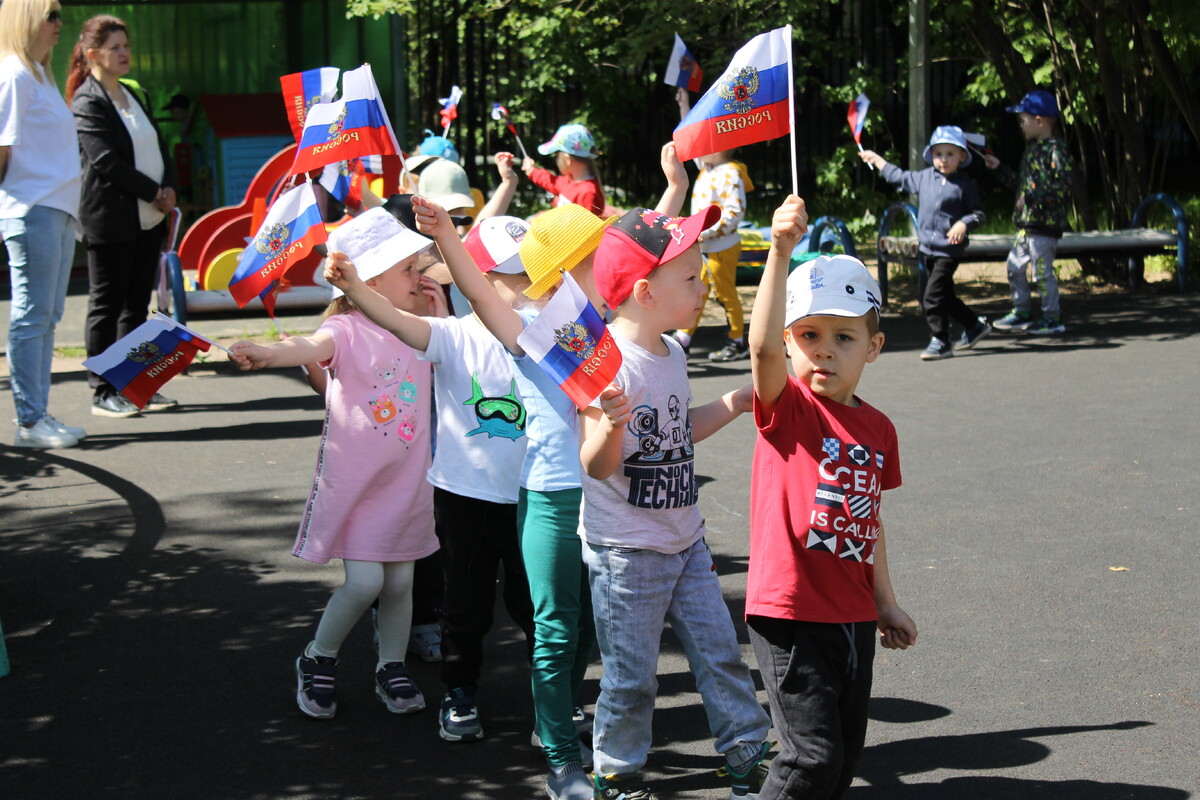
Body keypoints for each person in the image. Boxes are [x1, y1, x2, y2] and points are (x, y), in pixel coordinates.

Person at [579, 206, 774, 800]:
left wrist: (734, 404)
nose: (705, 284)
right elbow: (596, 464)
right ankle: (615, 771)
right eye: (690, 277)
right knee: (632, 677)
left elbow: (676, 430)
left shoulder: (672, 352)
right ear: (644, 291)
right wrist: (610, 424)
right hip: (626, 553)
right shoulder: (605, 363)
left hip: (684, 538)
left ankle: (746, 751)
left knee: (720, 652)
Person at [324, 198, 534, 744]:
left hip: (532, 497)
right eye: (510, 275)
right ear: (477, 278)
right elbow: (389, 320)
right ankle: (459, 692)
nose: (526, 284)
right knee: (462, 607)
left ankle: (551, 701)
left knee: (535, 607)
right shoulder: (452, 333)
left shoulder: (547, 334)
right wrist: (355, 286)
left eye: (532, 271)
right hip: (463, 496)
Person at [228, 209, 442, 720]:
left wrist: (447, 316)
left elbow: (460, 356)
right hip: (360, 485)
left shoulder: (425, 327)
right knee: (367, 582)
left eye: (420, 267)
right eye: (409, 269)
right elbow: (310, 345)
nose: (422, 277)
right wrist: (265, 351)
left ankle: (390, 665)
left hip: (409, 484)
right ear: (369, 280)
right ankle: (317, 657)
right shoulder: (346, 328)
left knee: (401, 584)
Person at [746, 196, 918, 799]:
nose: (823, 349)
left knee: (841, 758)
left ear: (872, 347)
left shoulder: (879, 430)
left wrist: (886, 603)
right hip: (790, 614)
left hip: (851, 615)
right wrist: (779, 251)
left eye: (842, 337)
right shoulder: (788, 408)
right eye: (809, 335)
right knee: (808, 759)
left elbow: (869, 522)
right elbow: (762, 351)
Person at [66, 14, 179, 417]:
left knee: (135, 305)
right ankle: (102, 391)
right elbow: (106, 162)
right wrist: (154, 191)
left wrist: (167, 187)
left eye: (126, 45)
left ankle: (133, 383)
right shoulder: (86, 100)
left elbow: (158, 144)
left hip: (149, 217)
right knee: (106, 305)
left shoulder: (134, 93)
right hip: (111, 219)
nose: (124, 53)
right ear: (93, 54)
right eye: (115, 47)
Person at [0, 0, 86, 449]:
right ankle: (30, 420)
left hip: (53, 208)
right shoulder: (14, 73)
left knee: (46, 315)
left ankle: (37, 416)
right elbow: (1, 147)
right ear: (25, 17)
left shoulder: (38, 74)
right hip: (31, 206)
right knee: (33, 316)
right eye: (50, 14)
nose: (59, 23)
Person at [859, 125, 989, 360]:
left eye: (950, 154)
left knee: (931, 296)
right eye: (939, 154)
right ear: (931, 156)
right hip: (928, 248)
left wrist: (963, 223)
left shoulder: (965, 185)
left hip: (949, 251)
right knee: (945, 296)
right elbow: (898, 177)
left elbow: (978, 214)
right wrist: (877, 160)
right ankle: (974, 325)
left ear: (962, 156)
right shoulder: (924, 178)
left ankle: (941, 339)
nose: (943, 160)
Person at [983, 89, 1075, 335]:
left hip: (1045, 226)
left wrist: (1032, 197)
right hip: (1027, 226)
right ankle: (1021, 311)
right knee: (1014, 266)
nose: (1021, 125)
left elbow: (1063, 188)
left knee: (1042, 272)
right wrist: (999, 168)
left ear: (1039, 121)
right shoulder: (1032, 150)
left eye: (1023, 120)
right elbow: (1021, 186)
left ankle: (1052, 319)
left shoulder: (1056, 150)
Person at [672, 87, 754, 362]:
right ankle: (683, 338)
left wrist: (706, 232)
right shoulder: (707, 167)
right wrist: (685, 108)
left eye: (704, 143)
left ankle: (737, 340)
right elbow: (689, 134)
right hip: (705, 245)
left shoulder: (729, 173)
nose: (698, 147)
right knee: (699, 289)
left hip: (719, 247)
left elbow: (734, 213)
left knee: (725, 293)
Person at [521, 123, 605, 217]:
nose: (556, 159)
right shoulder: (569, 181)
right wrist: (531, 170)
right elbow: (549, 180)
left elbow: (591, 230)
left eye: (557, 154)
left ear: (567, 159)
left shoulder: (588, 193)